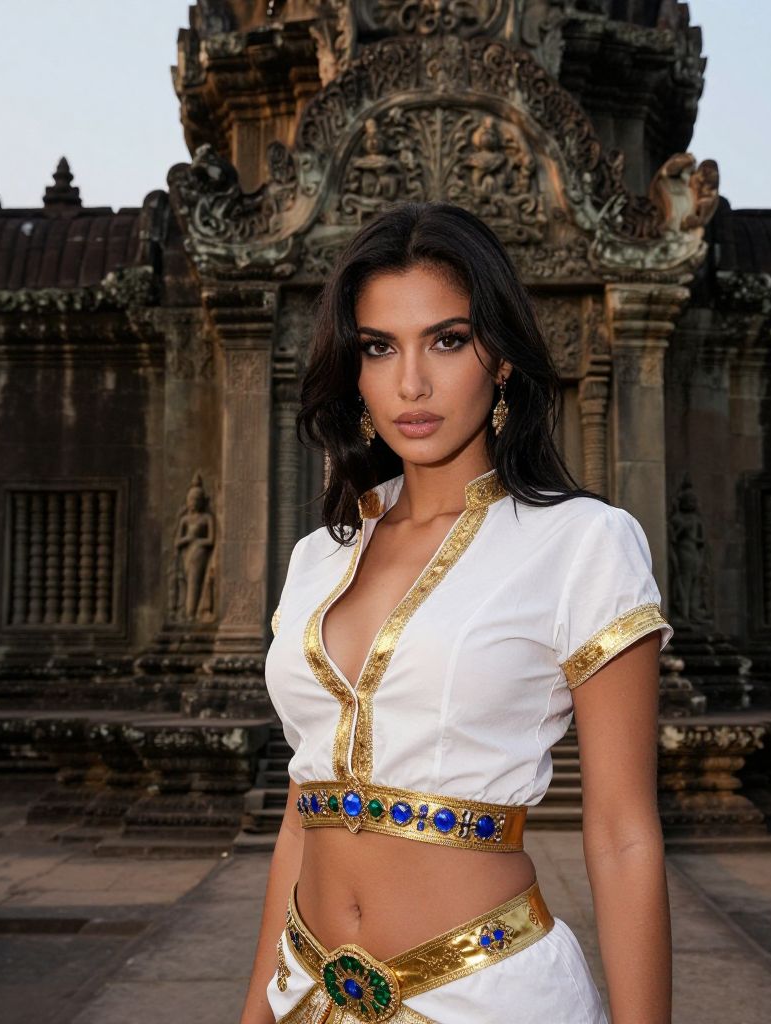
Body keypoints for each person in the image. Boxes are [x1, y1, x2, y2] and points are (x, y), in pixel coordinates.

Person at [238, 201, 673, 1024]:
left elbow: (621, 836)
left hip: (489, 995)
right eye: (379, 347)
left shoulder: (582, 543)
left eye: (446, 340)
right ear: (353, 369)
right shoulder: (318, 558)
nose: (411, 382)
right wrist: (256, 1014)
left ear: (500, 357)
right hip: (307, 992)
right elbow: (304, 811)